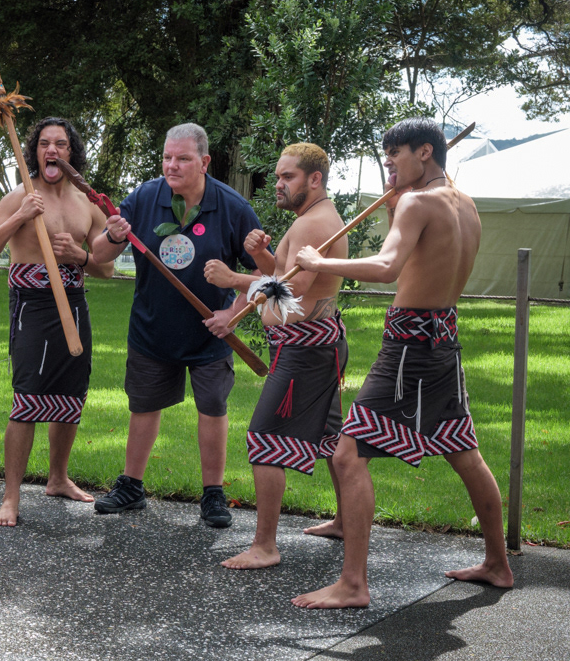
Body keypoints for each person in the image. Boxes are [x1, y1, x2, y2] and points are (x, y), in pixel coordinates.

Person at [291, 118, 514, 608]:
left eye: (396, 154)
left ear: (426, 153)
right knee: (463, 452)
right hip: (442, 338)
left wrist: (319, 262)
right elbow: (423, 262)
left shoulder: (418, 201)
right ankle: (497, 563)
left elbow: (388, 268)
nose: (388, 162)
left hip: (411, 347)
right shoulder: (464, 204)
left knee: (348, 455)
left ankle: (353, 584)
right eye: (386, 154)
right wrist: (397, 210)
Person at [89, 123, 261, 526]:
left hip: (209, 333)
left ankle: (213, 495)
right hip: (152, 328)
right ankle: (131, 486)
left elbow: (264, 276)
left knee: (213, 408)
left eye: (182, 158)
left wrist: (232, 315)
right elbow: (98, 254)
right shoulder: (146, 197)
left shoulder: (232, 206)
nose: (172, 165)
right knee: (144, 406)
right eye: (167, 157)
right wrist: (114, 236)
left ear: (204, 162)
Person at [203, 143, 348, 569]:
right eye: (279, 176)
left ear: (314, 179)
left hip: (305, 350)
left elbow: (293, 294)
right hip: (316, 347)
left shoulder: (313, 224)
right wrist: (261, 256)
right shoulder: (311, 220)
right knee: (332, 442)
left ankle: (265, 545)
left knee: (265, 439)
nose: (279, 184)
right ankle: (343, 520)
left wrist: (235, 278)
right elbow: (284, 275)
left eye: (288, 177)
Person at [0, 117, 114, 526]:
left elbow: (106, 268)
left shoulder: (86, 203)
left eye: (61, 144)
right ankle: (10, 498)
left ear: (71, 153)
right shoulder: (18, 195)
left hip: (73, 303)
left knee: (70, 397)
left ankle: (57, 478)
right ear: (34, 151)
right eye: (45, 144)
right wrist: (19, 217)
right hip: (30, 307)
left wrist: (80, 256)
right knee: (28, 399)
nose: (52, 150)